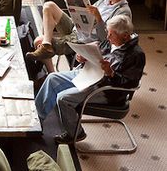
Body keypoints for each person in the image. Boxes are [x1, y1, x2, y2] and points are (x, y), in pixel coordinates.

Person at [35, 15, 145, 144]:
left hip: (107, 90)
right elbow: (97, 56)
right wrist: (83, 58)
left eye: (111, 35)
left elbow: (129, 84)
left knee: (63, 99)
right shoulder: (111, 41)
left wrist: (111, 73)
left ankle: (76, 133)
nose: (108, 38)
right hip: (89, 74)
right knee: (52, 78)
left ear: (125, 36)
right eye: (108, 33)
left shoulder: (136, 55)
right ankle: (37, 120)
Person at [27, 0, 132, 71]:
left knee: (38, 41)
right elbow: (89, 13)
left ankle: (51, 73)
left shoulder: (123, 13)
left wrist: (98, 18)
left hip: (86, 40)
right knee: (49, 6)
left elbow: (107, 40)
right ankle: (47, 45)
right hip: (78, 27)